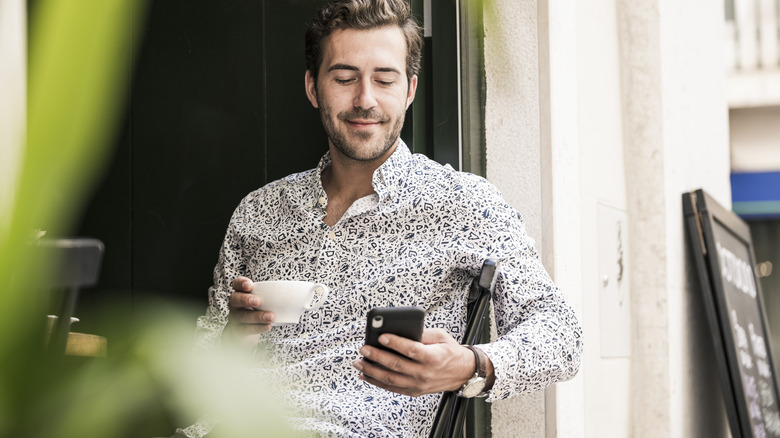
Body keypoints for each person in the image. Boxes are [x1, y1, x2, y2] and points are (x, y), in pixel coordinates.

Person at [179, 0, 582, 436]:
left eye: (384, 79)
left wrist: (469, 365)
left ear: (409, 89)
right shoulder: (257, 212)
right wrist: (232, 342)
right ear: (314, 88)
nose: (364, 99)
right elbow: (197, 373)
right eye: (345, 77)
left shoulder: (467, 203)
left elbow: (562, 335)